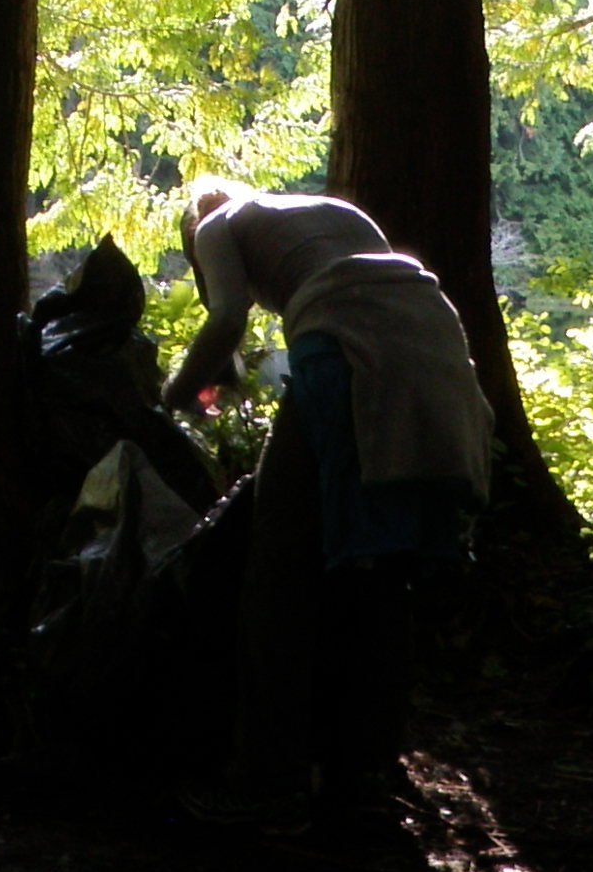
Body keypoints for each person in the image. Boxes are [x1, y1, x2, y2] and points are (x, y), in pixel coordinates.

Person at [163, 178, 493, 827]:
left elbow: (227, 318)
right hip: (437, 355)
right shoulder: (326, 213)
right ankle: (362, 772)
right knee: (381, 571)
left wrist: (171, 397)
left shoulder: (215, 224)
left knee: (278, 568)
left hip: (347, 358)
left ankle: (264, 779)